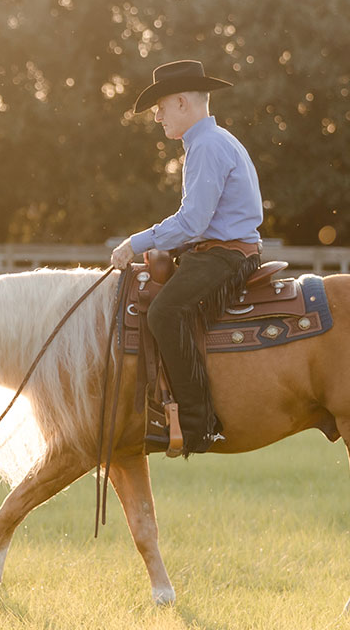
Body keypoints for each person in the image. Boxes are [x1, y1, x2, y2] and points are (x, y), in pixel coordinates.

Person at [109, 59, 264, 454]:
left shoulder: (207, 147)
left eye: (160, 107)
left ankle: (198, 425)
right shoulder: (213, 141)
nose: (157, 117)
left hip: (224, 256)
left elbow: (193, 222)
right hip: (220, 251)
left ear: (181, 102)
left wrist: (137, 243)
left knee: (164, 312)